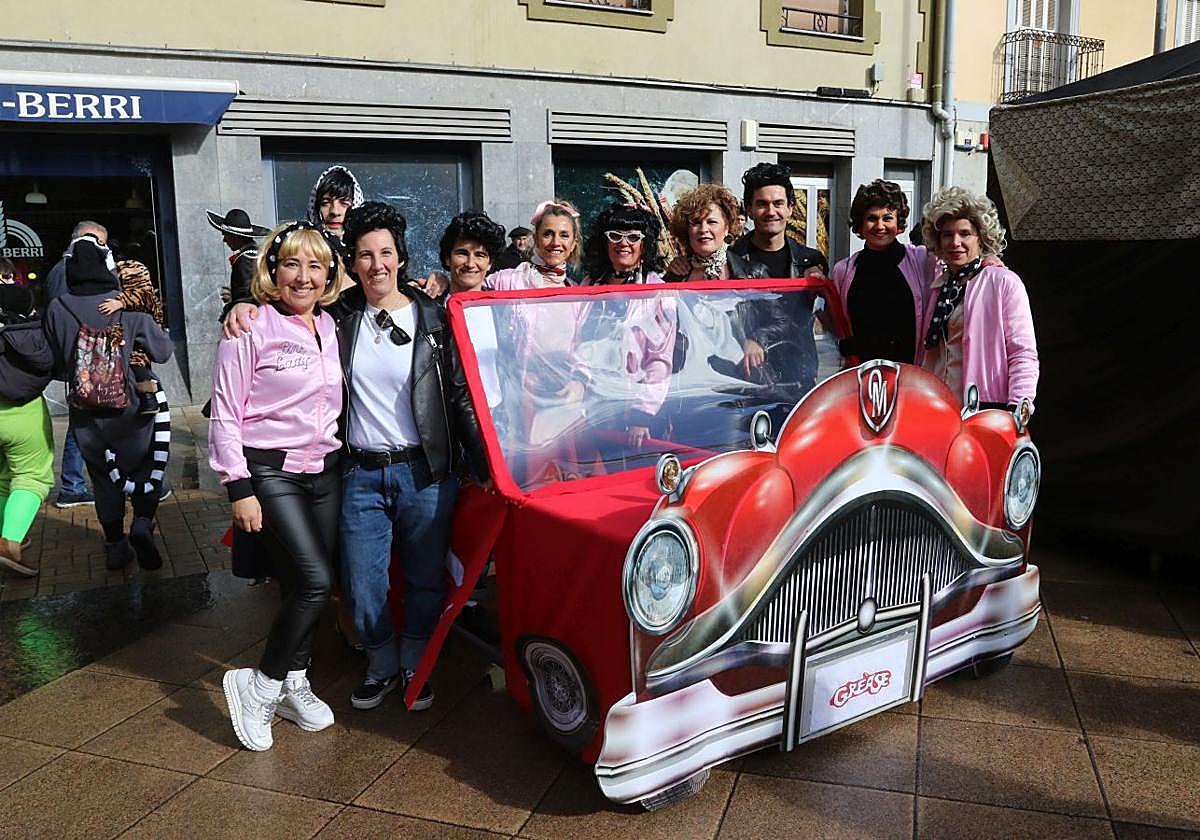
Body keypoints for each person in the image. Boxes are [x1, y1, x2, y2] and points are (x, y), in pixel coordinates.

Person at [225, 202, 490, 711]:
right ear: (352, 263)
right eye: (365, 254)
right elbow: (281, 309)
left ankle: (416, 659)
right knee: (362, 584)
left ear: (401, 257)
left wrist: (485, 464)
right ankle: (381, 663)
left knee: (423, 578)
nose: (376, 264)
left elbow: (459, 396)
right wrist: (239, 301)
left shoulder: (434, 318)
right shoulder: (336, 319)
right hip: (360, 474)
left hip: (425, 473)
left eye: (386, 252)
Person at [210, 221, 345, 751]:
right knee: (316, 580)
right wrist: (237, 486)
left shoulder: (331, 326)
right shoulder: (250, 328)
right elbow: (225, 412)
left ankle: (295, 680)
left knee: (302, 583)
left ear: (329, 273)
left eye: (315, 265)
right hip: (269, 469)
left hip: (324, 469)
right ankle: (260, 685)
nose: (303, 277)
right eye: (291, 263)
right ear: (272, 270)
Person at [42, 236, 174, 571]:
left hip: (86, 410)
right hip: (134, 405)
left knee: (103, 476)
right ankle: (143, 523)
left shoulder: (58, 307)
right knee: (146, 465)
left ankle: (115, 544)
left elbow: (56, 360)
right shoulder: (125, 304)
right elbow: (162, 352)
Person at [919, 186, 1039, 421]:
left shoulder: (1003, 282)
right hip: (937, 409)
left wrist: (1019, 405)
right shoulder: (940, 286)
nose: (955, 242)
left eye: (965, 234)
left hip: (983, 410)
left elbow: (1022, 353)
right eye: (947, 234)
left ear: (981, 237)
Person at [577, 202, 677, 446]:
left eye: (633, 237)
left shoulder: (658, 292)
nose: (624, 243)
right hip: (586, 409)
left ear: (645, 244)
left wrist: (641, 415)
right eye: (615, 236)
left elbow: (660, 360)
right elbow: (574, 340)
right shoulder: (590, 285)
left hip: (630, 416)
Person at [830, 180, 936, 365]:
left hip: (909, 375)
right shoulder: (843, 270)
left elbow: (957, 263)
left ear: (899, 223)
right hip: (862, 375)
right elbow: (834, 324)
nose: (880, 226)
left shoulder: (922, 260)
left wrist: (988, 261)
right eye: (872, 218)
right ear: (860, 225)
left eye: (887, 218)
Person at [46, 220, 107, 509]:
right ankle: (72, 485)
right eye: (97, 243)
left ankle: (79, 483)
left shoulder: (68, 272)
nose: (102, 250)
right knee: (81, 424)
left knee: (86, 423)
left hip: (84, 361)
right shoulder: (65, 273)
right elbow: (63, 320)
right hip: (83, 361)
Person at [0, 260, 54, 578]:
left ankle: (8, 531)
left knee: (3, 476)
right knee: (32, 476)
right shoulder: (21, 300)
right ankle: (10, 542)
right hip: (22, 408)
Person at [730, 162, 828, 280]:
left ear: (790, 208)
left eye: (778, 203)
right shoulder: (730, 260)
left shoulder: (811, 261)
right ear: (749, 209)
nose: (771, 212)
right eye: (762, 204)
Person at [99, 259, 168, 415]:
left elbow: (142, 298)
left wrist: (121, 301)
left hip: (144, 341)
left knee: (137, 364)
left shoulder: (147, 295)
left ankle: (148, 398)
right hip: (135, 338)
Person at [206, 208, 270, 312]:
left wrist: (231, 303)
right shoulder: (257, 255)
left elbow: (247, 299)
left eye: (226, 235)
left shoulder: (245, 260)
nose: (224, 240)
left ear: (236, 236)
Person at [307, 165, 364, 245]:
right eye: (325, 203)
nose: (335, 211)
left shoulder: (366, 251)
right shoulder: (302, 250)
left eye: (344, 203)